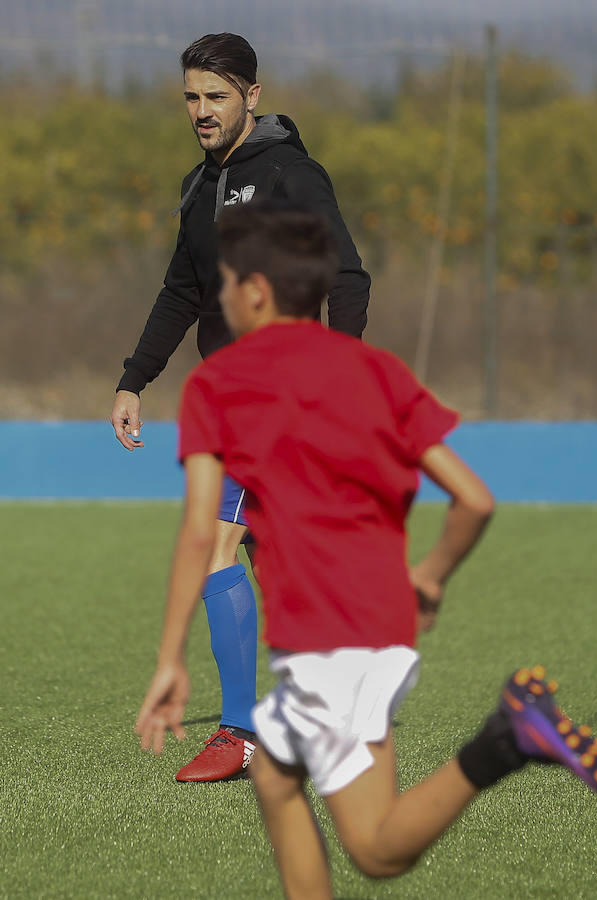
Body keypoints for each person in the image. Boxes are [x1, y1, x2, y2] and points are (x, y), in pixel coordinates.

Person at [135, 203, 597, 898]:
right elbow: (474, 500)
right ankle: (503, 741)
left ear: (255, 291)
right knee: (274, 775)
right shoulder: (376, 370)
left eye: (223, 282)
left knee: (376, 851)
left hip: (327, 643)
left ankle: (503, 742)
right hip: (379, 623)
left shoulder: (218, 385)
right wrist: (430, 574)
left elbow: (196, 533)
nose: (217, 297)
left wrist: (169, 658)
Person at [110, 33, 370, 782]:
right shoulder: (197, 187)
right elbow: (180, 292)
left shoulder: (290, 173)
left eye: (216, 96)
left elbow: (347, 276)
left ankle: (241, 731)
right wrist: (135, 378)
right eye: (191, 96)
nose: (201, 110)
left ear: (252, 97)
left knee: (215, 549)